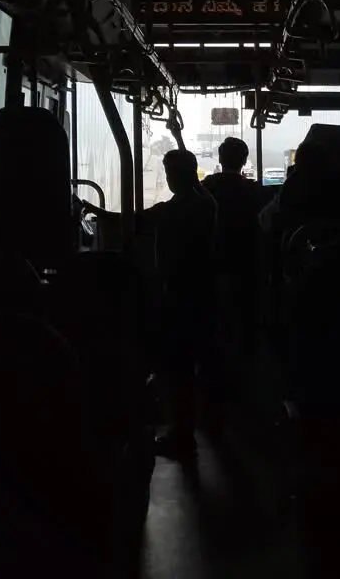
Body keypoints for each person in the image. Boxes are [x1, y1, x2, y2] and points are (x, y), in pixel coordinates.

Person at [83, 149, 216, 458]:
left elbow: (137, 221)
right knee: (185, 367)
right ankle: (186, 431)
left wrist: (96, 213)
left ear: (178, 174)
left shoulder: (182, 207)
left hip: (180, 295)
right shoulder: (203, 202)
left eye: (169, 173)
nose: (167, 179)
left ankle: (181, 435)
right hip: (197, 294)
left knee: (176, 367)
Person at [202, 138, 267, 358]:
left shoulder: (208, 186)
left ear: (220, 159)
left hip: (214, 261)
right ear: (244, 160)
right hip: (248, 262)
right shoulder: (254, 190)